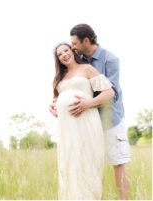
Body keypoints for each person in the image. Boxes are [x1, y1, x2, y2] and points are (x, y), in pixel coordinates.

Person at [52, 42, 115, 199]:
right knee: (71, 161)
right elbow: (56, 99)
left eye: (65, 51)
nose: (63, 55)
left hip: (86, 121)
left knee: (87, 160)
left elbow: (108, 92)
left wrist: (88, 103)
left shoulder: (86, 69)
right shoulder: (60, 77)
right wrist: (54, 106)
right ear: (58, 59)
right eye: (59, 54)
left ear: (72, 51)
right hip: (67, 127)